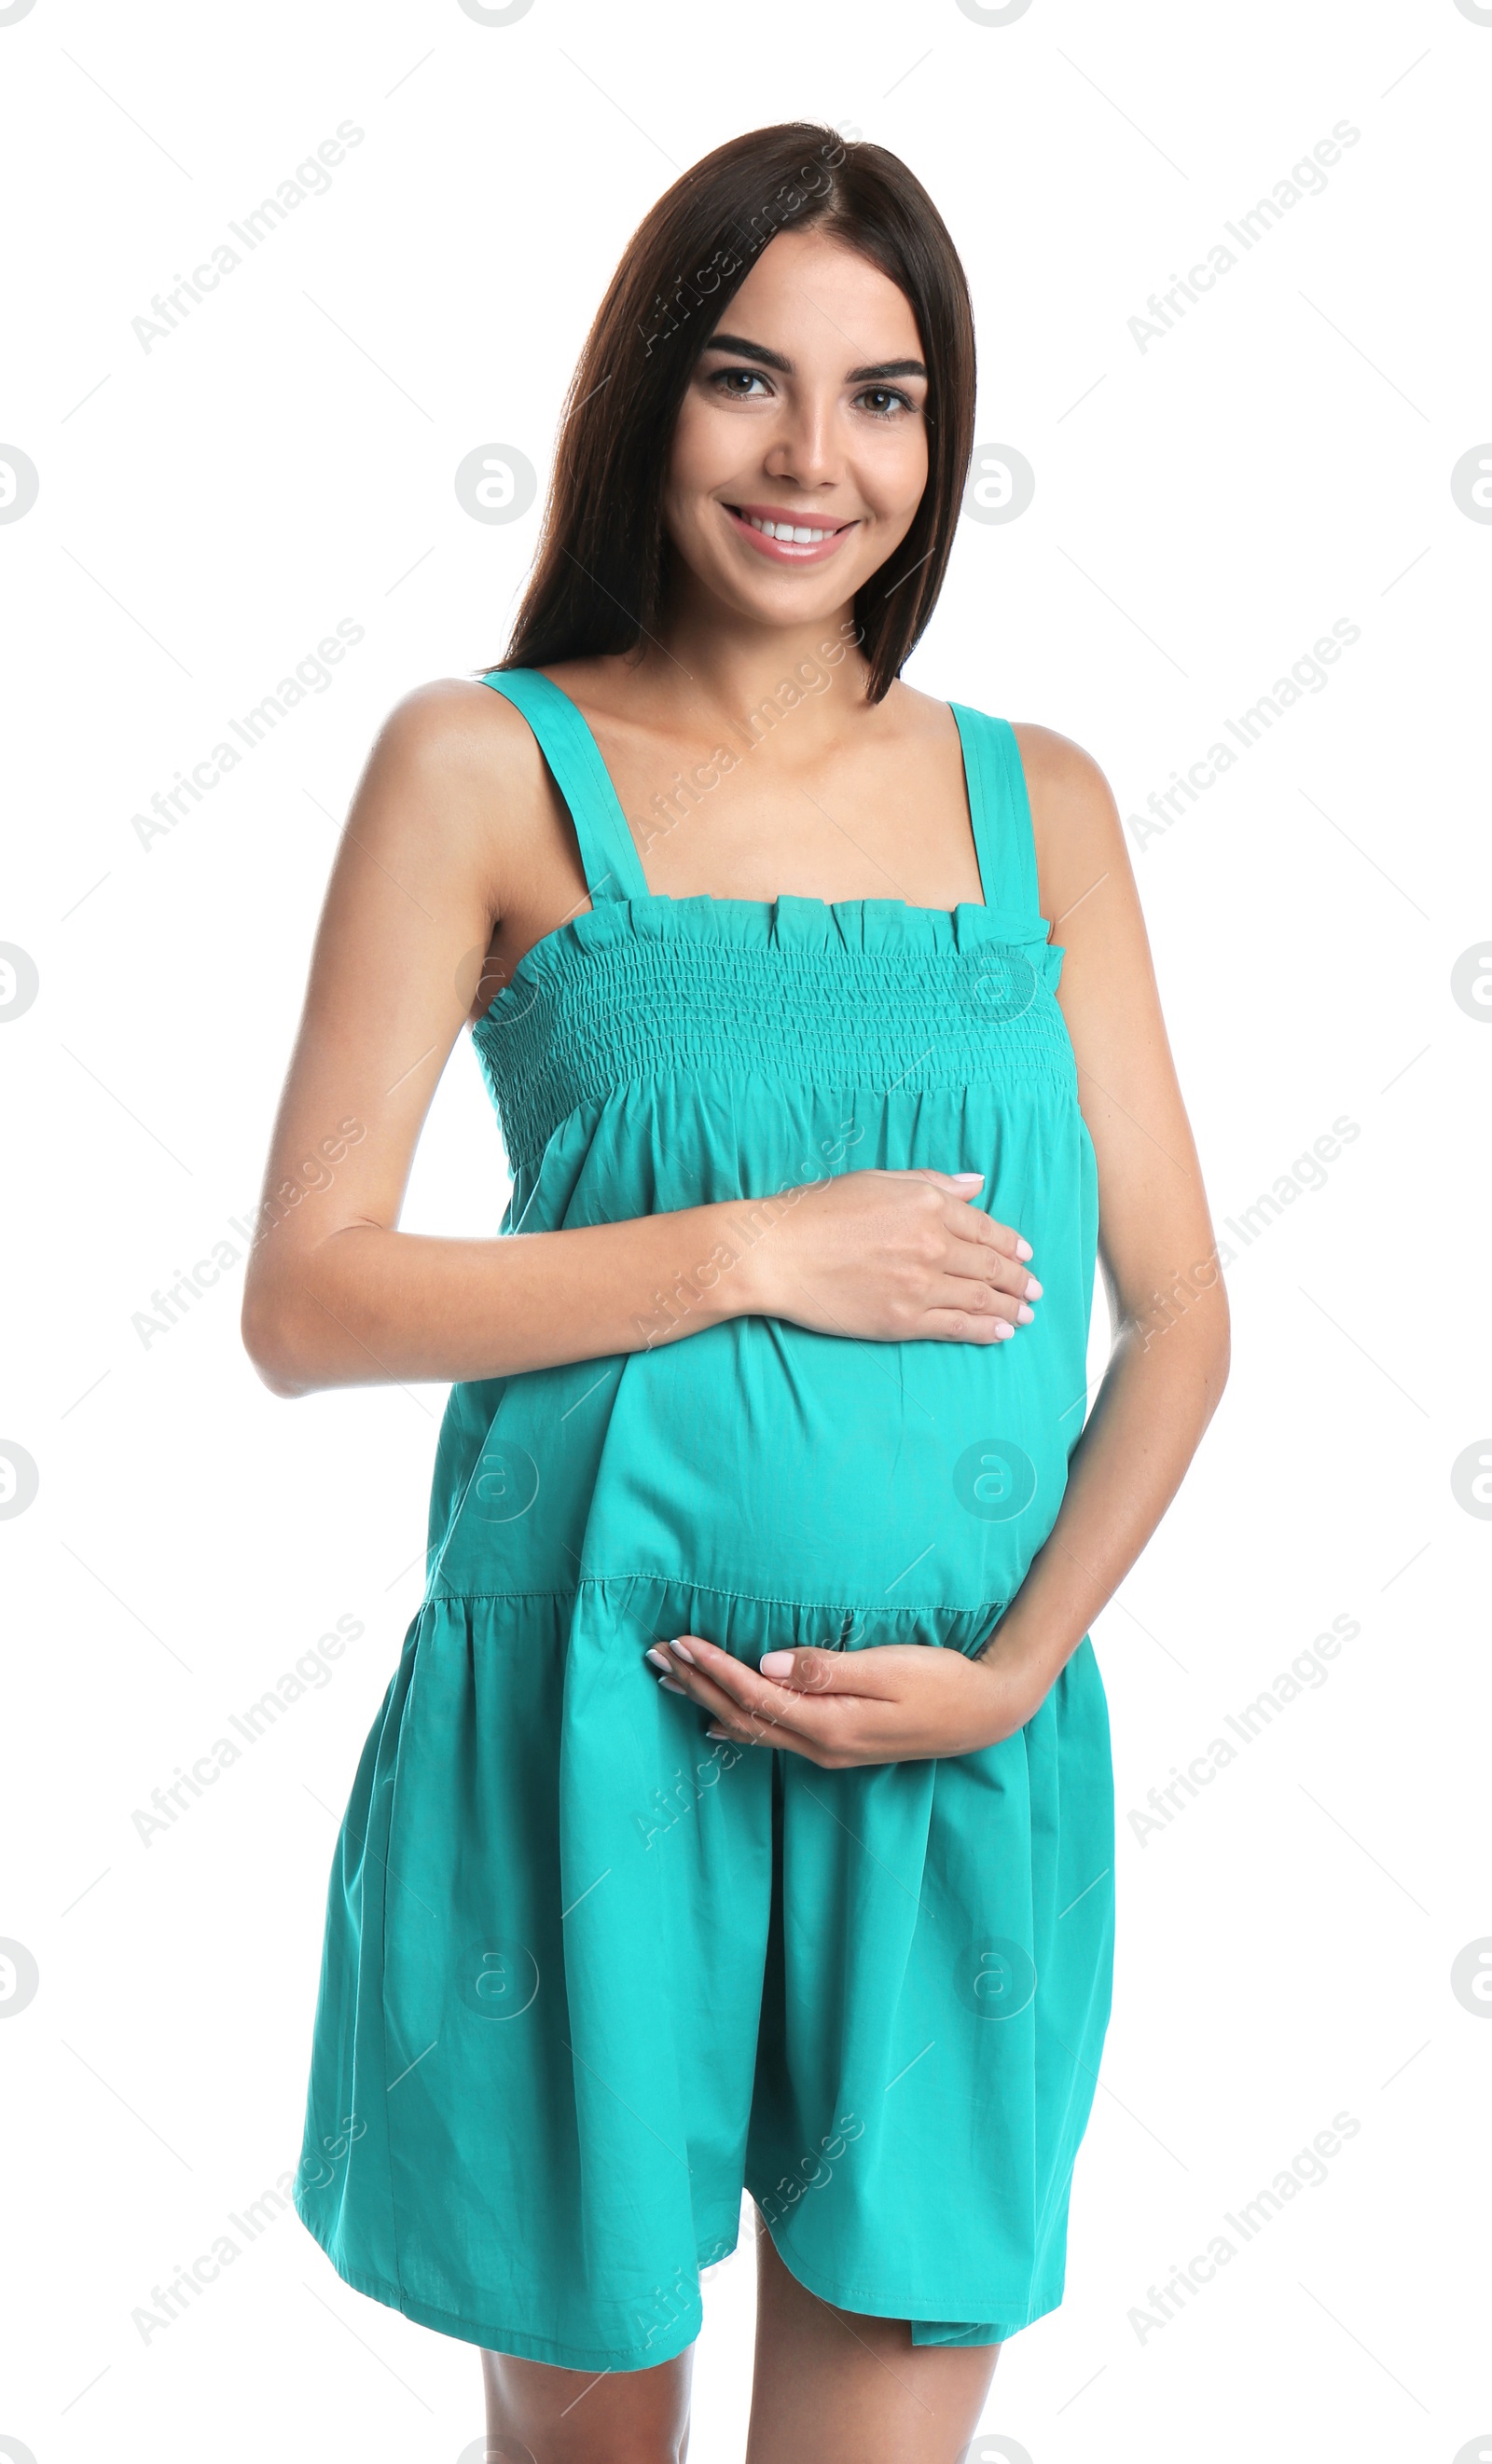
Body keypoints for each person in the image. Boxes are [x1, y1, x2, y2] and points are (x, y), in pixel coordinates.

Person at [242, 119, 1229, 2464]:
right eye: (742, 380)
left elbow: (1178, 1318)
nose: (814, 458)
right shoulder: (482, 763)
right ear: (640, 402)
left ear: (939, 434)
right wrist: (746, 1250)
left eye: (882, 396)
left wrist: (999, 1678)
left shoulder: (1041, 800)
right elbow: (307, 1294)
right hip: (577, 1735)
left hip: (947, 1757)